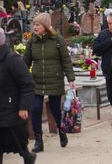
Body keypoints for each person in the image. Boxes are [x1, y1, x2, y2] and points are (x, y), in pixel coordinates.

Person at [23, 12, 75, 153]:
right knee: (35, 109)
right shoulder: (32, 41)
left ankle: (61, 131)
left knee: (55, 109)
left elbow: (66, 60)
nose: (35, 27)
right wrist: (20, 77)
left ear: (45, 26)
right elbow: (25, 62)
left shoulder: (57, 40)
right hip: (37, 81)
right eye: (34, 25)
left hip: (54, 79)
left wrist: (71, 79)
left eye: (37, 24)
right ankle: (39, 141)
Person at [0, 28, 37, 164]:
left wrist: (24, 107)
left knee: (17, 142)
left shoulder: (13, 60)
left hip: (12, 111)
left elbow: (28, 84)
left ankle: (28, 156)